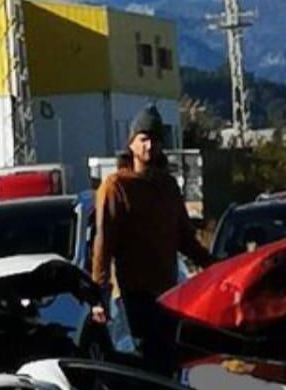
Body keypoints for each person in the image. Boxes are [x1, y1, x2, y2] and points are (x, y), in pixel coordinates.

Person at [91, 105, 214, 372]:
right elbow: (104, 244)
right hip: (135, 294)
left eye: (154, 140)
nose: (149, 146)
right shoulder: (116, 187)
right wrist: (98, 294)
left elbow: (185, 239)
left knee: (171, 360)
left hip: (169, 291)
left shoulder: (167, 187)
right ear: (132, 144)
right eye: (143, 139)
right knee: (149, 359)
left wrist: (215, 267)